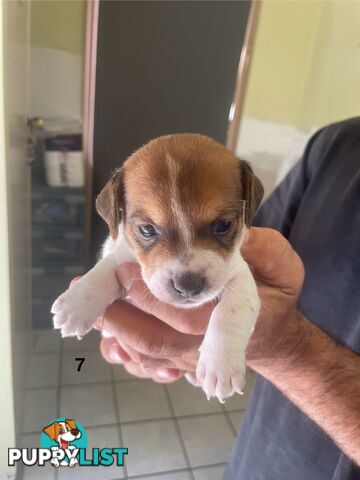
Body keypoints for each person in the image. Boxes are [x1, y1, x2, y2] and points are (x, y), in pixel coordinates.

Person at [97, 118, 360, 479]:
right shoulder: (338, 145)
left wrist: (286, 350)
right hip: (261, 450)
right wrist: (172, 333)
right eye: (149, 230)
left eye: (219, 226)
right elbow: (248, 254)